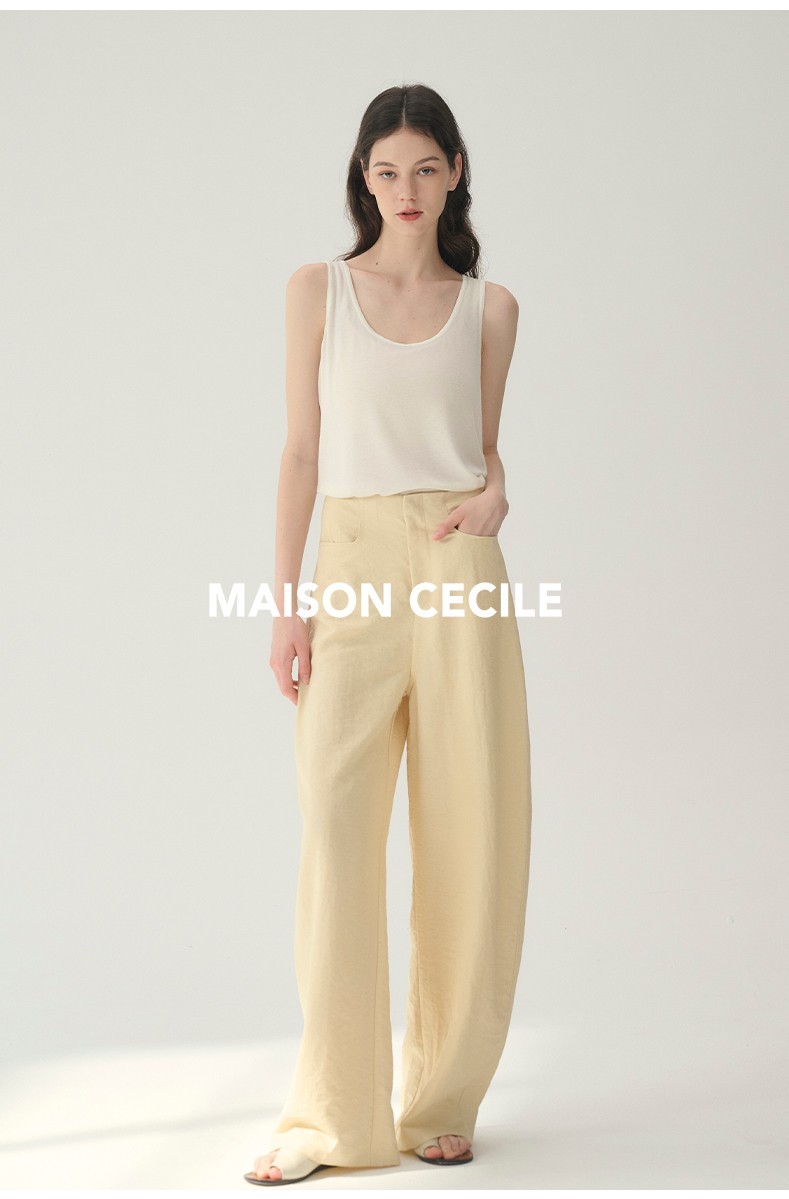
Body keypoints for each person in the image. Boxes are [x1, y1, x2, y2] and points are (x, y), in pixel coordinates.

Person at [245, 82, 532, 1187]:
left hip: (458, 562)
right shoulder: (316, 289)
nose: (404, 190)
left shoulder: (491, 308)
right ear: (362, 180)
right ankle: (332, 1117)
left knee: (472, 830)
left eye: (423, 168)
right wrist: (286, 603)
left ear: (454, 173)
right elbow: (300, 453)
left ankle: (442, 1098)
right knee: (336, 834)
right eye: (384, 170)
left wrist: (499, 490)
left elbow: (484, 447)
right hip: (352, 566)